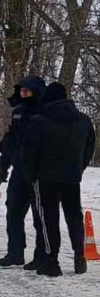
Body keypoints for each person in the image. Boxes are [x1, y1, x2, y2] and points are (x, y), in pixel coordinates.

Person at [21, 81, 95, 277]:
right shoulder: (83, 120)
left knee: (48, 219)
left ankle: (51, 261)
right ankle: (80, 257)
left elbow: (29, 151)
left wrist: (31, 175)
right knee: (74, 216)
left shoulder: (39, 120)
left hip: (45, 178)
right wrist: (79, 167)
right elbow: (90, 147)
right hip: (72, 177)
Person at [0, 76, 47, 267]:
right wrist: (3, 165)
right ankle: (15, 253)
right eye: (21, 91)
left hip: (40, 172)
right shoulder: (18, 112)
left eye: (27, 91)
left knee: (40, 217)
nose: (23, 94)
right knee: (13, 211)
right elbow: (11, 141)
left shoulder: (47, 112)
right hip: (19, 171)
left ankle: (41, 256)